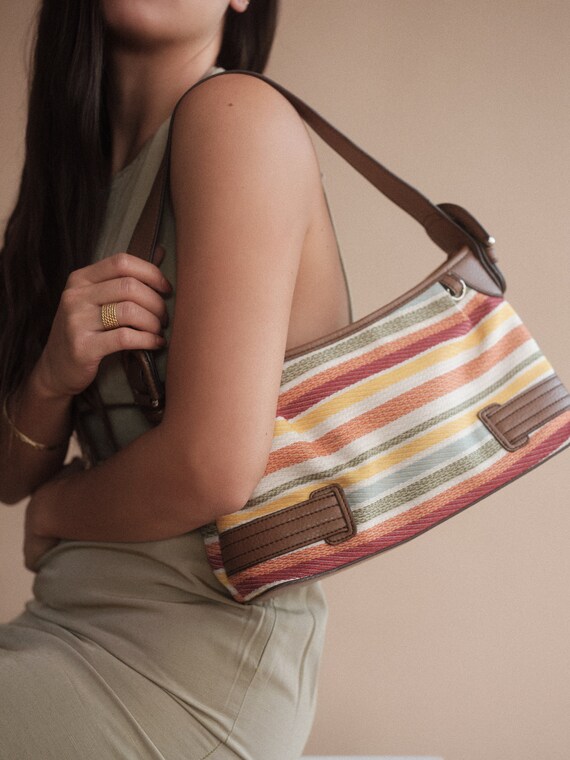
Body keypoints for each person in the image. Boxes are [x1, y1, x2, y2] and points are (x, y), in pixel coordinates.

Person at [0, 1, 352, 758]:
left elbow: (211, 466)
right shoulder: (78, 180)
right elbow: (7, 473)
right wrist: (51, 379)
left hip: (190, 671)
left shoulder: (235, 116)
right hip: (66, 625)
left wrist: (57, 508)